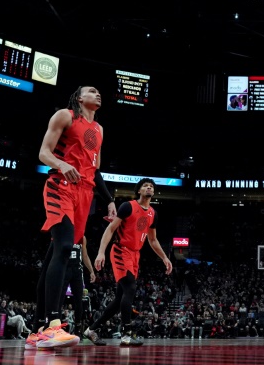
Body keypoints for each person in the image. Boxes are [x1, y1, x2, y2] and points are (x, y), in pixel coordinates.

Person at [27, 86, 117, 350]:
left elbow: (95, 171)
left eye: (101, 92)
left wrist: (109, 200)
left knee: (54, 257)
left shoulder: (99, 130)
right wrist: (61, 164)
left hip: (85, 196)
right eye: (92, 91)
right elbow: (43, 152)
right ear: (79, 98)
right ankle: (53, 324)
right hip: (60, 186)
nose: (98, 94)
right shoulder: (64, 116)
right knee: (66, 247)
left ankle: (36, 329)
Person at [83, 178, 173, 346]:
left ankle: (92, 330)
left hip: (135, 255)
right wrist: (101, 252)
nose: (149, 188)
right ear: (139, 190)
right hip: (120, 250)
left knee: (119, 299)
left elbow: (152, 241)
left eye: (151, 186)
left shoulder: (153, 213)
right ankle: (126, 333)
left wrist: (165, 257)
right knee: (130, 288)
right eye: (146, 186)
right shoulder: (128, 206)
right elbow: (110, 229)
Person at [61, 236, 96, 336]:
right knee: (59, 298)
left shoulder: (82, 237)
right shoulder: (64, 232)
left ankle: (78, 329)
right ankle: (55, 327)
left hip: (77, 270)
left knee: (79, 300)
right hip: (64, 268)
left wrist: (91, 271)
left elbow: (85, 256)